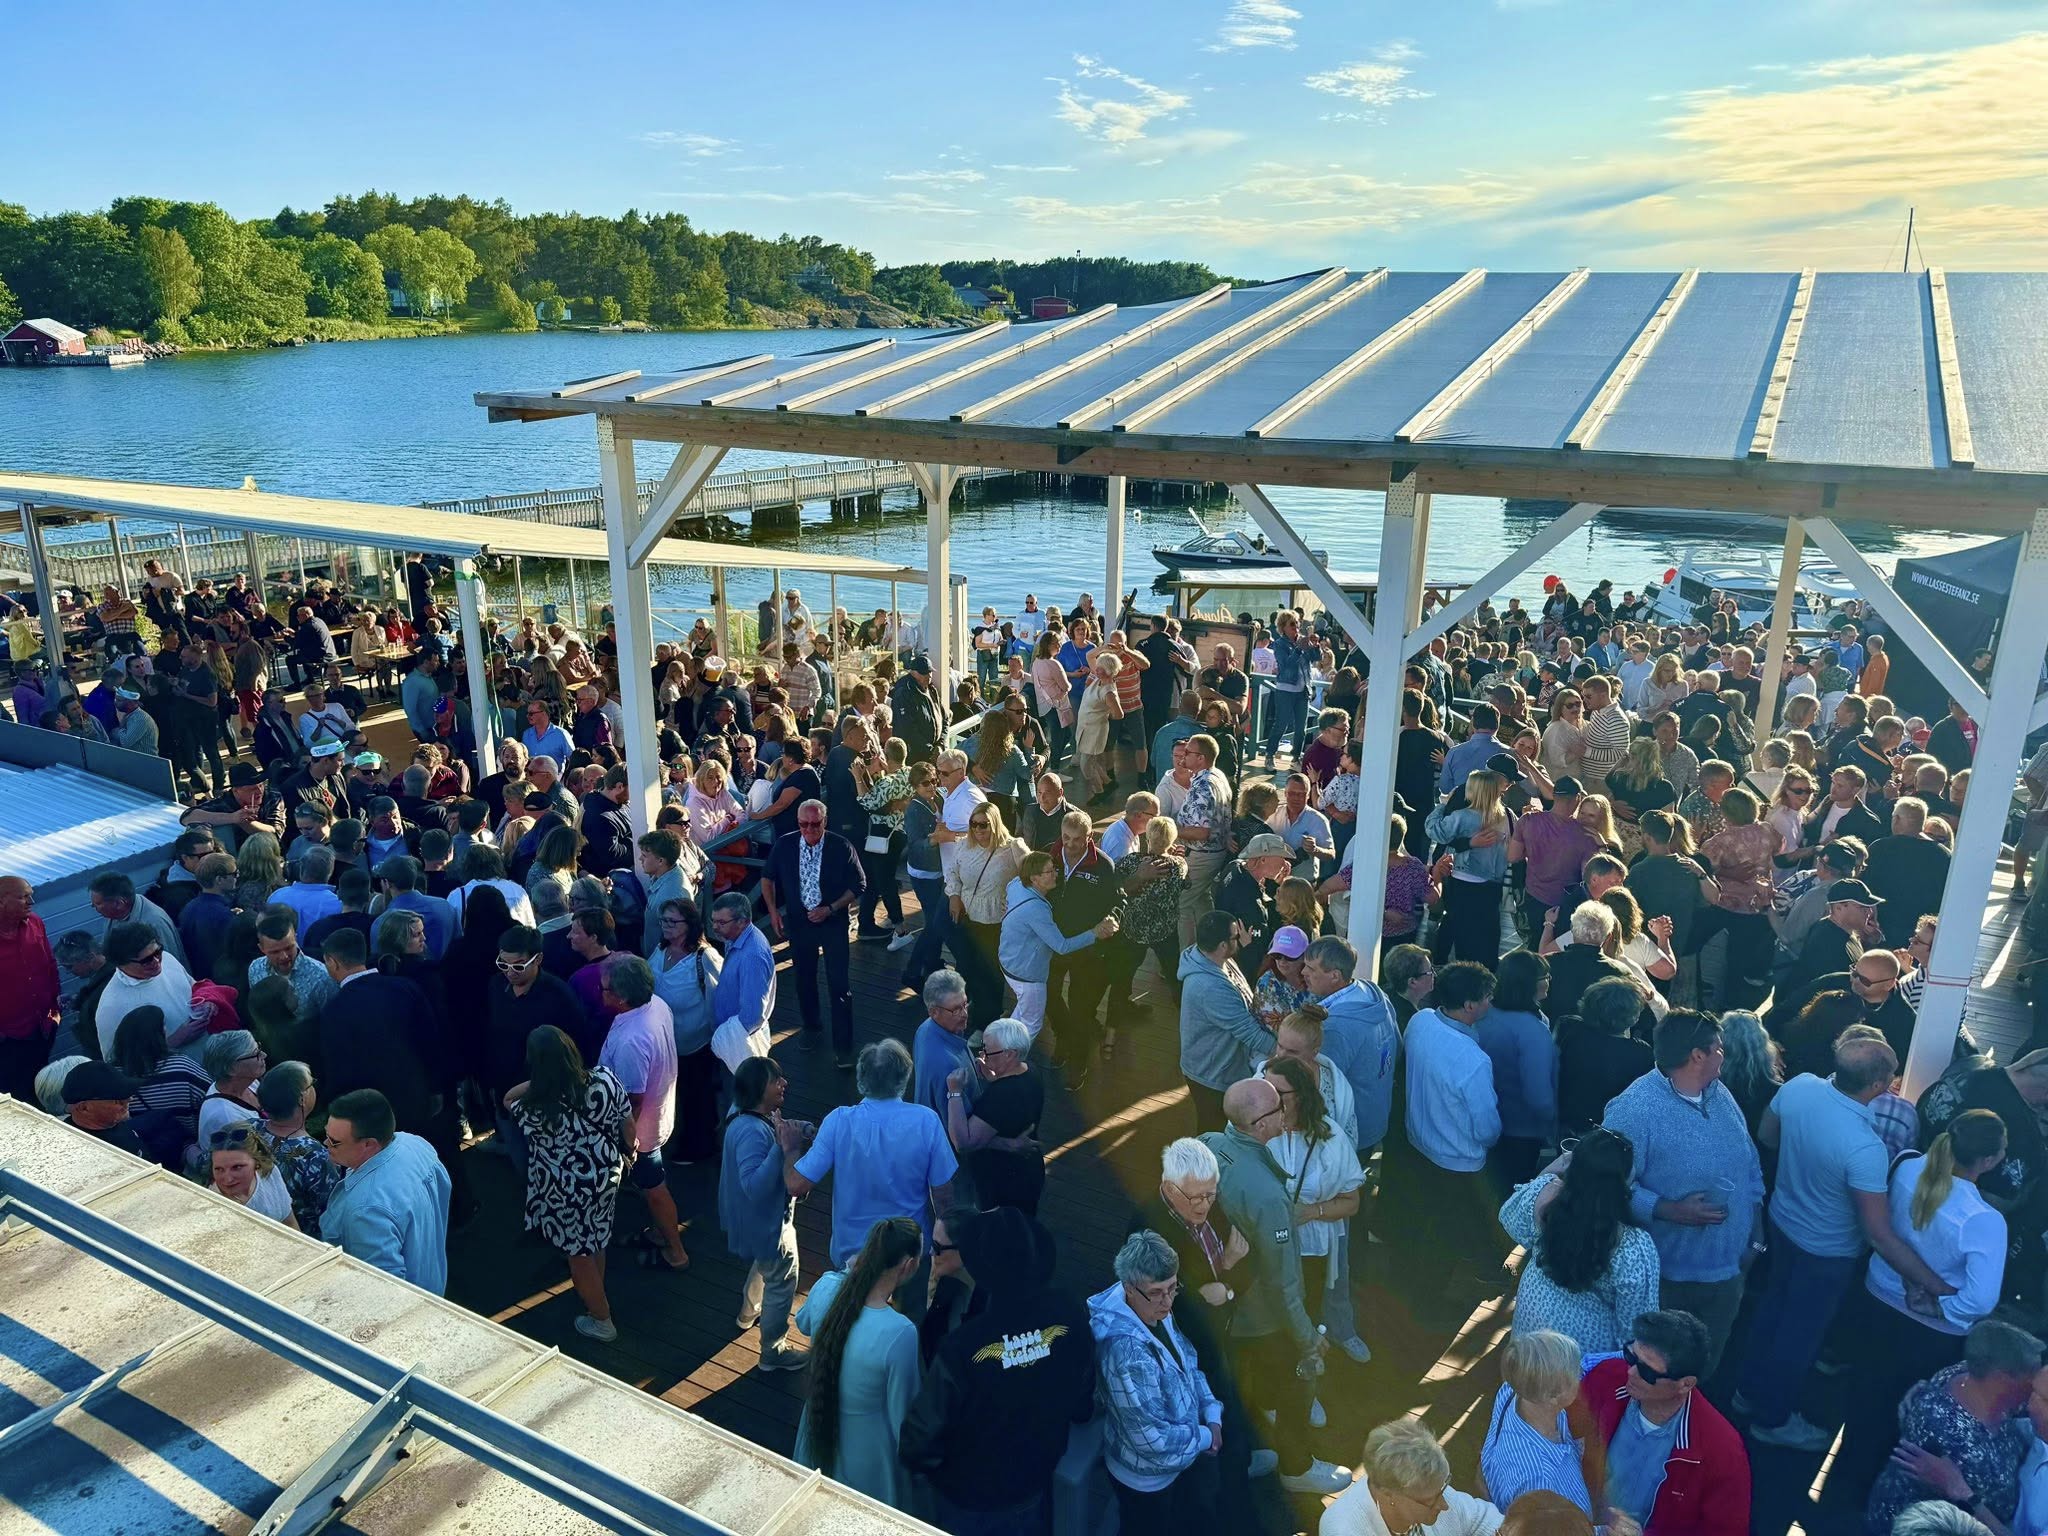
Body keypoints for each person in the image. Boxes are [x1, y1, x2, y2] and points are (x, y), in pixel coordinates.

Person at [1741, 1031, 1959, 1451]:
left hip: (1782, 1222)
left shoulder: (1799, 1086)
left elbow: (1767, 1136)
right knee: (1799, 1336)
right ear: (1878, 1085)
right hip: (1826, 1252)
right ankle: (1771, 1419)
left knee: (1772, 1309)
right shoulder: (1864, 1147)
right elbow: (1879, 1233)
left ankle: (1746, 1392)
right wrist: (1935, 1284)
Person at [1826, 1109, 2013, 1516]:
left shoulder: (1908, 1165)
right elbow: (1981, 1300)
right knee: (1904, 1417)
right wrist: (1942, 1305)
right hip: (1929, 1335)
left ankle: (1840, 1482)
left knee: (1865, 1395)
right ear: (1988, 1161)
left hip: (1876, 1301)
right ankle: (1870, 1502)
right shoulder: (1984, 1221)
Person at [899, 1204, 1096, 1534]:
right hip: (1034, 1484)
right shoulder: (1069, 1313)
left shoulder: (963, 1348)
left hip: (969, 1499)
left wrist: (938, 1472)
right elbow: (1082, 1393)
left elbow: (920, 1438)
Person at [1205, 1076, 1350, 1495]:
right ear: (1261, 1124)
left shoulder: (1209, 1144)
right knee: (1296, 1384)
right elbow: (1283, 1282)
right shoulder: (1268, 1196)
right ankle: (1297, 1466)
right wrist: (1306, 1338)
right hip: (1260, 1316)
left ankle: (1247, 1453)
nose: (1285, 1113)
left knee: (1236, 1386)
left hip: (1224, 1306)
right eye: (1278, 1108)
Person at [1090, 1229, 1226, 1536]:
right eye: (1156, 1292)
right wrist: (1207, 1435)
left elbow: (1187, 1361)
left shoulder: (1152, 1308)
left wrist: (1211, 1411)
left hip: (1179, 1458)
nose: (1167, 1302)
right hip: (1146, 1480)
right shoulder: (1126, 1355)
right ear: (1129, 1287)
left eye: (1172, 1288)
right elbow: (1152, 1441)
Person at [786, 1039, 957, 1277]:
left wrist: (791, 1148)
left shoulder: (838, 1121)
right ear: (904, 1077)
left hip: (852, 1256)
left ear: (861, 1079)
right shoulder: (926, 1121)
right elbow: (943, 1196)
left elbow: (796, 1184)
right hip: (908, 1253)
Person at [504, 1024, 629, 1342]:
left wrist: (542, 1081)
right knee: (597, 1239)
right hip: (606, 1177)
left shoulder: (535, 1108)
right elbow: (627, 1123)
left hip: (566, 1192)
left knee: (578, 1254)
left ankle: (601, 1320)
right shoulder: (605, 1079)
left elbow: (508, 1098)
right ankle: (595, 1291)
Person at [1578, 1310, 1749, 1536]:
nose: (1630, 1372)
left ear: (1686, 1384)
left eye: (1647, 1371)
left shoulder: (1722, 1451)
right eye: (1630, 1356)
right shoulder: (1604, 1379)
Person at [793, 1215, 924, 1509]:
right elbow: (901, 1415)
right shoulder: (899, 1333)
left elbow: (803, 1322)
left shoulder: (826, 1287)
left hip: (815, 1426)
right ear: (908, 1266)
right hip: (868, 1454)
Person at [1868, 1321, 2046, 1535]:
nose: (2032, 1396)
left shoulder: (1986, 1382)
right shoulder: (1955, 1435)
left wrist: (1965, 1495)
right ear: (2002, 1379)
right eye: (2032, 1383)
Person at [1498, 1130, 1661, 1355]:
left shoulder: (1543, 1197)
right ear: (1624, 1183)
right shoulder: (1632, 1247)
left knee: (1525, 1374)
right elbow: (1636, 1331)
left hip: (1530, 1336)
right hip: (1579, 1357)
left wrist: (1558, 1165)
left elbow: (1509, 1219)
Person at [1404, 961, 1505, 1298]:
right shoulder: (1473, 1060)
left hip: (1418, 1142)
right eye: (1487, 997)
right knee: (1455, 1226)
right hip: (1458, 1160)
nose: (1491, 1002)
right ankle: (1433, 1299)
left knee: (1432, 1217)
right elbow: (1486, 1126)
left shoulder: (1420, 1021)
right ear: (1469, 1006)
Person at [1266, 1053, 1369, 1368]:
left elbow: (1352, 1202)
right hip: (1266, 1242)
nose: (1268, 1099)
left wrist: (1310, 1212)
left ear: (1299, 1096)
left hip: (1311, 1247)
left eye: (1277, 1093)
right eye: (1265, 1089)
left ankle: (1305, 1366)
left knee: (1307, 1304)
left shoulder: (1332, 1139)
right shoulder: (1257, 1128)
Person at [596, 955, 690, 1274]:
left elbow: (631, 1099)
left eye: (604, 988)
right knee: (652, 1185)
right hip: (660, 1114)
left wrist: (627, 1142)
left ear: (621, 997)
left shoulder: (631, 1041)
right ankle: (660, 1231)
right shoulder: (657, 1004)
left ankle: (676, 1252)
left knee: (654, 1189)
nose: (600, 992)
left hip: (641, 1132)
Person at [720, 1055, 810, 1371]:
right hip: (769, 1225)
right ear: (760, 1089)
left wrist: (794, 1130)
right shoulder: (753, 1133)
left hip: (751, 1223)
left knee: (767, 1266)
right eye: (776, 1080)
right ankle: (773, 1352)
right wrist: (783, 1148)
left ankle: (748, 1312)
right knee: (782, 1282)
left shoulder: (742, 1114)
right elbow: (754, 1186)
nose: (784, 1083)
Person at [761, 798, 865, 1066]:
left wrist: (831, 908)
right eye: (803, 824)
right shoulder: (785, 844)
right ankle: (811, 1027)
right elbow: (767, 877)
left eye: (815, 824)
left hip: (832, 922)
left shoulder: (840, 846)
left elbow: (859, 884)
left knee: (839, 983)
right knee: (803, 979)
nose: (809, 829)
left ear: (825, 821)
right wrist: (773, 912)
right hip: (800, 922)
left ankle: (844, 1046)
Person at [320, 1088, 453, 1293]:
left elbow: (383, 1291)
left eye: (334, 1142)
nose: (325, 1144)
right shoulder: (414, 1143)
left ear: (368, 1145)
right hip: (432, 1281)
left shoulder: (366, 1211)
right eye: (327, 1135)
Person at [1480, 1330, 1603, 1523]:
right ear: (1552, 1397)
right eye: (1577, 1373)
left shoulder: (1513, 1389)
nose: (1581, 1374)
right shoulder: (1539, 1480)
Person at [1001, 850, 1116, 1046]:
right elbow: (1062, 946)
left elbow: (1008, 889)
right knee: (1032, 1023)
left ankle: (1001, 1044)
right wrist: (1094, 933)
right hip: (1028, 976)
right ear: (1034, 878)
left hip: (1010, 963)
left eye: (1054, 868)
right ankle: (1009, 1058)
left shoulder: (1017, 884)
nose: (1056, 873)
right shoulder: (1036, 909)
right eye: (1049, 871)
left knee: (1022, 1012)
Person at [1179, 910, 1276, 1134]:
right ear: (1223, 945)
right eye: (1235, 936)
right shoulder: (1209, 987)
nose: (1240, 939)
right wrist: (1284, 1052)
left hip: (1219, 1066)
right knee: (1213, 1132)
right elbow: (1248, 1032)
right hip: (1212, 1075)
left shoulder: (1213, 959)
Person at [1321, 1418, 1502, 1536]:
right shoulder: (1341, 1529)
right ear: (1389, 1494)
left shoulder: (1426, 1487)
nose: (1444, 1505)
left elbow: (1481, 1518)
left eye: (1443, 1489)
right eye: (1431, 1500)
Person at [945, 1017, 1046, 1215]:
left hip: (1004, 1182)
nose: (982, 1054)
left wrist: (954, 1092)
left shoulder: (1002, 1096)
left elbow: (963, 1142)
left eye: (988, 1051)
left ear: (1010, 1054)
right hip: (1027, 1172)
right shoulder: (1031, 1070)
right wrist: (993, 1075)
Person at [1477, 949, 1559, 1187]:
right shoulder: (1533, 1031)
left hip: (1489, 1119)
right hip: (1522, 1130)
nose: (1549, 981)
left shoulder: (1485, 1013)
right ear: (1528, 984)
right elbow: (1539, 1096)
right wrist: (1552, 1123)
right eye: (1545, 977)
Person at [1555, 978, 1652, 1140]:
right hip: (1611, 1134)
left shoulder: (1571, 1031)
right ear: (1633, 1017)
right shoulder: (1640, 1052)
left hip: (1568, 1127)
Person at [255, 1060, 341, 1232]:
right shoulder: (315, 1156)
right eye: (311, 1083)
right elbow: (333, 1208)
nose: (314, 1086)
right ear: (302, 1099)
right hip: (300, 1236)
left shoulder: (247, 1127)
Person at [0, 875, 59, 1102]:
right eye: (24, 897)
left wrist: (54, 1014)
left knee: (42, 1084)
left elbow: (50, 965)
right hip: (9, 1039)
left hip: (43, 1027)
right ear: (2, 901)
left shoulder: (35, 923)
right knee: (17, 1094)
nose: (31, 901)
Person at [208, 1124, 298, 1226]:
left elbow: (290, 1222)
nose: (228, 1179)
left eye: (237, 1167)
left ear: (257, 1161)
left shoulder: (270, 1174)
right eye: (219, 1169)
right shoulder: (214, 1208)